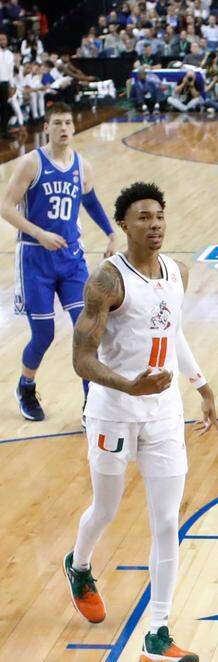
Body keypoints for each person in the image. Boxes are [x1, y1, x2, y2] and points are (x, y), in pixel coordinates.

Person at [65, 181, 218, 662]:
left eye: (159, 215)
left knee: (167, 521)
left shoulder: (179, 272)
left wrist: (202, 385)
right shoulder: (107, 281)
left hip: (163, 413)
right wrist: (128, 386)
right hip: (114, 410)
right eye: (143, 217)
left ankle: (158, 629)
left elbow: (172, 332)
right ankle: (80, 564)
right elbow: (81, 359)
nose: (154, 224)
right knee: (106, 509)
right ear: (124, 225)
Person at [1, 102, 118, 422]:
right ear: (46, 128)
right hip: (34, 259)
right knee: (44, 334)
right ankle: (26, 386)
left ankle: (89, 402)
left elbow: (90, 201)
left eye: (68, 122)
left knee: (87, 330)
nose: (65, 128)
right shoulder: (30, 163)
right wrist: (39, 233)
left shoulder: (82, 166)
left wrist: (110, 233)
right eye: (58, 123)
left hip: (71, 259)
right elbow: (6, 207)